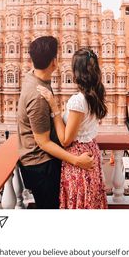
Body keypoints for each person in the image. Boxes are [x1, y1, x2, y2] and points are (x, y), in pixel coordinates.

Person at [17, 36, 94, 209]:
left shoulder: (34, 77)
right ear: (54, 61)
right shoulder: (38, 97)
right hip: (40, 164)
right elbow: (43, 142)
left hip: (40, 161)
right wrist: (76, 161)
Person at [37, 48, 108, 209]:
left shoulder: (78, 101)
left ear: (77, 72)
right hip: (90, 151)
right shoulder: (96, 94)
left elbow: (65, 140)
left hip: (78, 156)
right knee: (91, 199)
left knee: (79, 200)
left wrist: (54, 107)